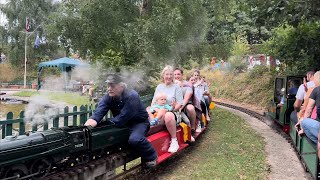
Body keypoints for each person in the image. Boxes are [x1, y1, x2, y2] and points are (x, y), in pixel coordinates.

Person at [84, 74, 158, 167]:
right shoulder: (108, 97)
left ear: (121, 86)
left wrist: (107, 123)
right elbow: (97, 114)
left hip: (138, 123)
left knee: (135, 140)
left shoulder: (132, 96)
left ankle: (152, 157)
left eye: (112, 86)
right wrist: (86, 127)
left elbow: (123, 117)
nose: (109, 88)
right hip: (121, 123)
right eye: (108, 85)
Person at [150, 65, 183, 153]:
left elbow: (179, 104)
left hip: (173, 112)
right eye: (166, 74)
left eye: (170, 74)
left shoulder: (176, 87)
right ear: (163, 75)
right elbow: (153, 102)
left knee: (168, 115)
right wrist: (156, 110)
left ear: (173, 76)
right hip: (159, 111)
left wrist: (171, 109)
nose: (168, 76)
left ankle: (174, 140)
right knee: (147, 109)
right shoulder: (159, 87)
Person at [296, 71, 320, 143]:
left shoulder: (315, 90)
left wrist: (302, 125)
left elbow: (308, 110)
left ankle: (317, 143)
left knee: (304, 121)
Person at [174, 68, 197, 141]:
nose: (176, 76)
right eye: (175, 74)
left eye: (178, 74)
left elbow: (187, 97)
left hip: (186, 103)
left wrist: (180, 107)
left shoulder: (187, 84)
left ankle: (192, 128)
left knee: (190, 108)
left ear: (182, 75)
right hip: (174, 105)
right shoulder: (171, 84)